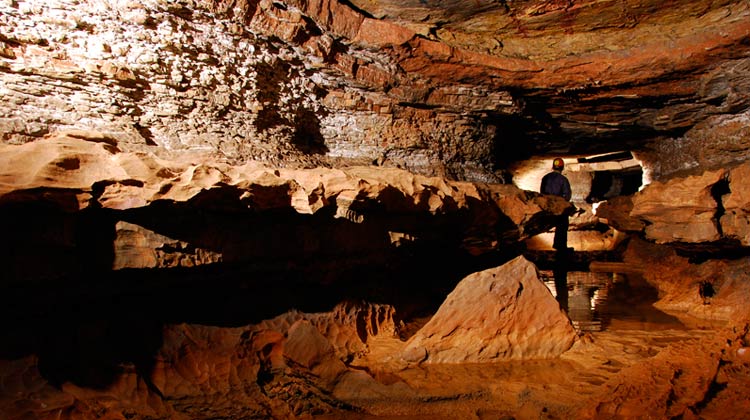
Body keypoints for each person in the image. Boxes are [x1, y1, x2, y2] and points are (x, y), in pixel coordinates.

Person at [540, 158, 572, 252]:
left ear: (552, 167)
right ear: (562, 168)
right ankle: (560, 245)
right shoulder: (563, 180)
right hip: (558, 207)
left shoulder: (545, 178)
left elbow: (542, 192)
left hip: (547, 206)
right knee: (563, 224)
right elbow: (567, 195)